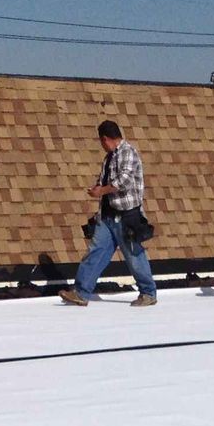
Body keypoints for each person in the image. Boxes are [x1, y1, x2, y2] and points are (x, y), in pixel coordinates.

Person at [65, 119, 158, 308]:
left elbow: (123, 182)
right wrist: (97, 187)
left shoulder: (128, 153)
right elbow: (105, 181)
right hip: (107, 215)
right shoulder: (109, 158)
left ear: (105, 139)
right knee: (96, 251)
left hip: (126, 215)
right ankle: (81, 292)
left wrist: (102, 190)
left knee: (133, 255)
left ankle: (148, 293)